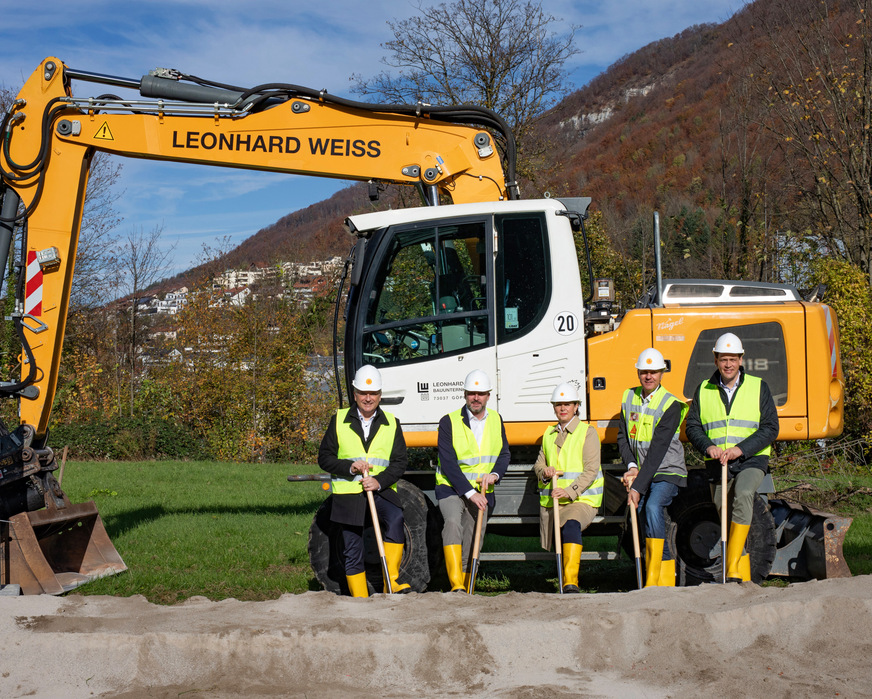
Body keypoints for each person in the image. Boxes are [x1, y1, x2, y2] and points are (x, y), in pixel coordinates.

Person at [685, 332, 779, 583]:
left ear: (741, 360)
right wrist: (709, 447)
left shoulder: (759, 387)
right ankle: (741, 568)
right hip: (719, 464)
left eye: (733, 359)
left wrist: (741, 449)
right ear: (715, 360)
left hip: (751, 459)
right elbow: (692, 426)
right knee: (724, 513)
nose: (728, 364)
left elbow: (770, 428)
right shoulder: (703, 390)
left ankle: (733, 568)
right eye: (723, 359)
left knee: (744, 494)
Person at [318, 364, 411, 597]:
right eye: (363, 393)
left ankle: (392, 580)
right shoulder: (339, 420)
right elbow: (324, 458)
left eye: (373, 393)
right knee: (352, 546)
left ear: (380, 395)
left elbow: (400, 462)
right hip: (349, 494)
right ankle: (360, 598)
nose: (368, 398)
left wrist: (379, 481)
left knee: (396, 517)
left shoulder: (392, 423)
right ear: (355, 393)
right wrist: (350, 467)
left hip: (380, 490)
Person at [618, 348, 688, 587]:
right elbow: (622, 437)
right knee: (642, 516)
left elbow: (658, 450)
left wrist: (638, 485)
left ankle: (652, 580)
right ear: (638, 372)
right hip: (643, 470)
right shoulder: (629, 397)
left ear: (662, 374)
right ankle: (665, 580)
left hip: (668, 470)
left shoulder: (671, 405)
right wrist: (631, 466)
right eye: (644, 372)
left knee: (653, 507)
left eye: (654, 372)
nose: (649, 376)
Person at [436, 369, 510, 591]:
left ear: (488, 395)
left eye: (480, 393)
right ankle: (456, 584)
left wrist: (495, 475)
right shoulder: (448, 421)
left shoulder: (496, 419)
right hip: (451, 488)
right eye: (471, 393)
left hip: (483, 491)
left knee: (472, 536)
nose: (475, 398)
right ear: (465, 394)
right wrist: (470, 493)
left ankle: (468, 586)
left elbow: (504, 454)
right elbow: (448, 463)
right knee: (452, 524)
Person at [533, 382, 603, 593]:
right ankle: (564, 578)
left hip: (581, 500)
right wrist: (544, 472)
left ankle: (570, 582)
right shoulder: (549, 434)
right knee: (563, 530)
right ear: (553, 407)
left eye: (567, 404)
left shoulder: (587, 432)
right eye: (558, 404)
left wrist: (570, 491)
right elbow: (538, 463)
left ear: (576, 406)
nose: (563, 408)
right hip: (554, 501)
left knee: (572, 525)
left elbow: (591, 470)